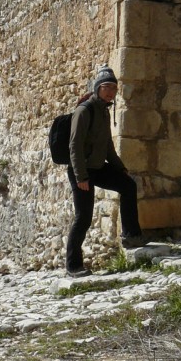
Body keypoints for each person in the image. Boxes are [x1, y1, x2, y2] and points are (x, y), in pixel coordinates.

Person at [66, 65, 144, 277]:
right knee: (83, 217)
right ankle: (73, 266)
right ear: (97, 88)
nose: (110, 92)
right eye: (106, 87)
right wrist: (81, 176)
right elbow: (74, 146)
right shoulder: (84, 111)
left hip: (98, 167)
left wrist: (120, 168)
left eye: (114, 88)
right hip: (81, 170)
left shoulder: (104, 111)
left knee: (128, 185)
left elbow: (108, 145)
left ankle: (131, 235)